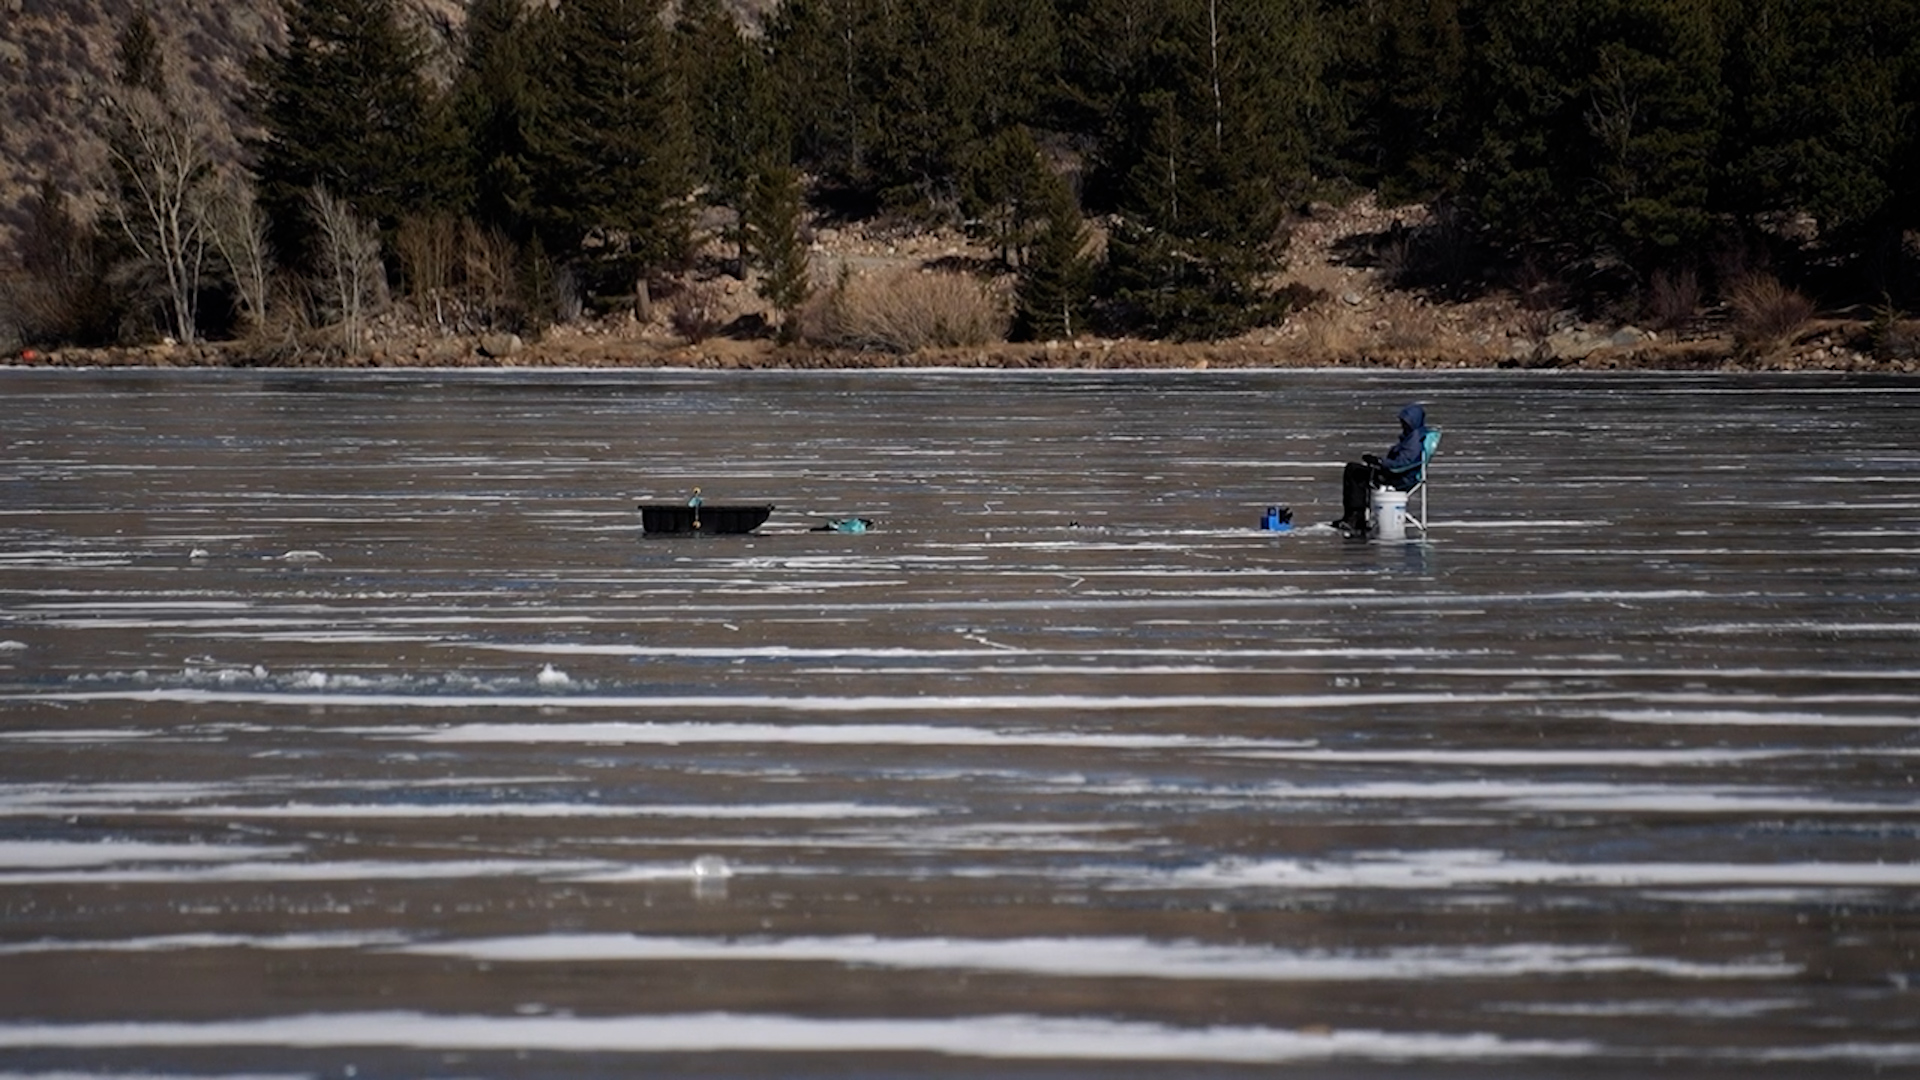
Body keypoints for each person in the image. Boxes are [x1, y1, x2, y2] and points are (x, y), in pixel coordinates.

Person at [1333, 403, 1428, 532]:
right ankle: (1354, 516)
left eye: (1405, 422)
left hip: (1398, 476)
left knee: (1355, 472)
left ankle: (1355, 517)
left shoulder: (1414, 441)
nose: (1403, 425)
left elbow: (1403, 462)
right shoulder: (1413, 436)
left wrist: (1380, 462)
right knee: (1354, 469)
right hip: (1397, 472)